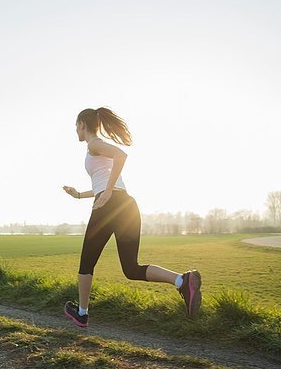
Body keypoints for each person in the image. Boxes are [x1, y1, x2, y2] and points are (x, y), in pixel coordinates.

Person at [62, 107, 202, 327]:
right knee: (131, 268)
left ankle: (82, 313)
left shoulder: (93, 144)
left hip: (109, 207)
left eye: (75, 127)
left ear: (81, 124)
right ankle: (182, 280)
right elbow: (103, 183)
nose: (75, 131)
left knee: (86, 264)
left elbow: (121, 156)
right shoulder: (95, 149)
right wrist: (79, 195)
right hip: (127, 206)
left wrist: (107, 192)